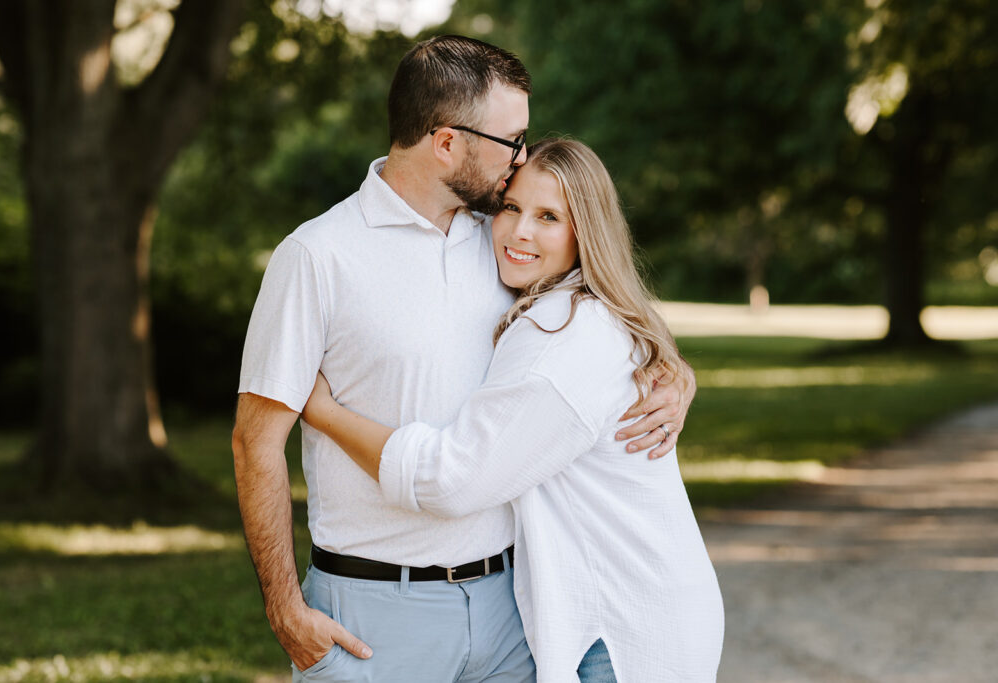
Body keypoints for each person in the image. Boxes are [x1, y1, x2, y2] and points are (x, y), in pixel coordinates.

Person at [232, 36, 696, 682]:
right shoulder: (316, 257)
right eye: (512, 142)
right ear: (448, 143)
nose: (522, 159)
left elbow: (602, 304)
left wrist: (670, 370)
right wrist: (284, 608)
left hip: (512, 615)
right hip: (374, 613)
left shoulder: (504, 240)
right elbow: (255, 442)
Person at [301, 138, 724, 682]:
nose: (519, 231)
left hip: (620, 630)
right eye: (510, 207)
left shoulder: (560, 335)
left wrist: (322, 411)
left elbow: (451, 479)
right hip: (640, 605)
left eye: (550, 217)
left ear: (585, 232)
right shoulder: (578, 308)